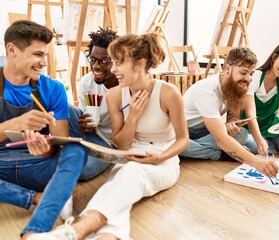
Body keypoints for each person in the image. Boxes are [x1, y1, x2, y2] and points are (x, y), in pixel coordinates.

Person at [28, 32, 189, 240]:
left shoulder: (168, 93)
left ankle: (74, 231)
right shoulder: (115, 95)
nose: (113, 70)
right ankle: (106, 237)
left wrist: (160, 157)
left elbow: (183, 139)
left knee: (129, 177)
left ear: (139, 64)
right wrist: (133, 117)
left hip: (163, 158)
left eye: (117, 63)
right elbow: (121, 143)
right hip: (129, 153)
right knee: (116, 188)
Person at [0, 20, 88, 239]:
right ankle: (41, 197)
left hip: (39, 167)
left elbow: (61, 142)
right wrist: (15, 124)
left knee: (76, 151)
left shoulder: (53, 89)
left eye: (45, 56)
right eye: (38, 54)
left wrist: (47, 150)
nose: (44, 63)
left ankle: (36, 231)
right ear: (12, 50)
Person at [180, 47, 278, 177]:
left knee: (241, 134)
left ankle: (212, 150)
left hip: (204, 131)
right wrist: (257, 163)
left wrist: (231, 122)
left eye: (251, 74)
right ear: (227, 69)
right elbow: (220, 139)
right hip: (182, 130)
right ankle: (218, 154)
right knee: (175, 144)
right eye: (243, 72)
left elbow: (233, 114)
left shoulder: (236, 86)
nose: (248, 79)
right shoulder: (206, 91)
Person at [68, 27, 118, 181]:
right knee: (65, 107)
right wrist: (84, 123)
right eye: (92, 59)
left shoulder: (126, 86)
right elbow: (84, 112)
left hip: (111, 144)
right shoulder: (86, 82)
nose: (96, 66)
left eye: (104, 61)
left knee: (83, 172)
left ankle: (75, 154)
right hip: (92, 134)